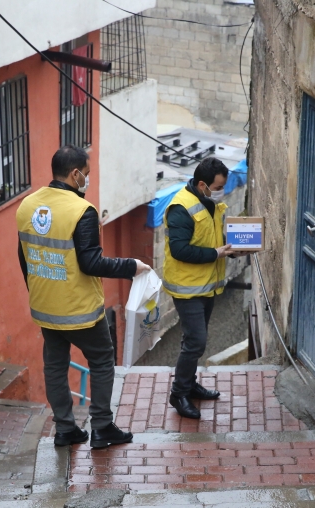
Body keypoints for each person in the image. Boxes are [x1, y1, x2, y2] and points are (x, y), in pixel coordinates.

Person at [16, 145, 151, 448]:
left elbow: (24, 256)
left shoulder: (27, 205)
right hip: (80, 309)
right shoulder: (82, 210)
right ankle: (101, 427)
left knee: (54, 366)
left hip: (45, 306)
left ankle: (65, 429)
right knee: (102, 360)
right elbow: (91, 263)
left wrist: (38, 290)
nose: (87, 179)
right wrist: (131, 266)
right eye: (86, 174)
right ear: (75, 174)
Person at [163, 157, 237, 419]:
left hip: (206, 286)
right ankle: (179, 393)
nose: (221, 192)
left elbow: (210, 239)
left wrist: (232, 249)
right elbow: (179, 250)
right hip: (187, 288)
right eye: (218, 187)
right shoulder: (181, 208)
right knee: (196, 341)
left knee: (193, 340)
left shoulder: (207, 202)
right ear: (202, 184)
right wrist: (216, 253)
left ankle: (190, 385)